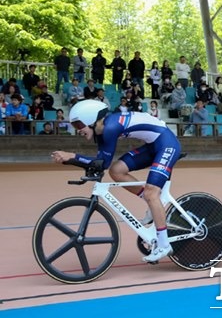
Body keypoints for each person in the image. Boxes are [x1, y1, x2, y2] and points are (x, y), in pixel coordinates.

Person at [50, 100, 182, 263]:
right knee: (116, 170)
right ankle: (153, 204)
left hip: (167, 144)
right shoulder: (101, 129)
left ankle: (164, 244)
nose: (78, 131)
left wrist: (73, 156)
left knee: (151, 192)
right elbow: (101, 164)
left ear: (91, 120)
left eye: (78, 125)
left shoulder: (109, 128)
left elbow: (101, 164)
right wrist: (71, 160)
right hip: (154, 145)